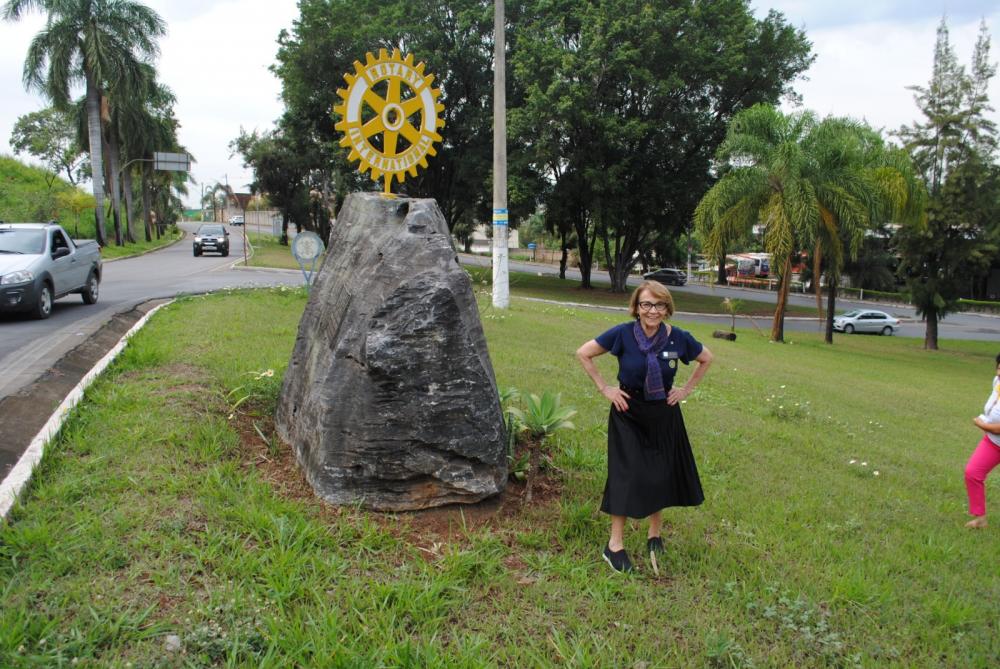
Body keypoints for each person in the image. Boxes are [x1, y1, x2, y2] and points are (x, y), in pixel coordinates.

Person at [576, 280, 713, 573]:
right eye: (646, 304)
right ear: (636, 308)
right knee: (626, 474)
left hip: (663, 413)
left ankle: (654, 534)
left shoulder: (679, 339)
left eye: (659, 304)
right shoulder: (623, 334)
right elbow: (583, 353)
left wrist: (685, 391)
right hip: (628, 411)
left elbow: (706, 358)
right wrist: (605, 389)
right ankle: (614, 546)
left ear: (667, 308)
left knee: (659, 474)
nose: (652, 311)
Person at [964, 352, 1000, 529]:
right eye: (999, 367)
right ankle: (980, 519)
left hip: (993, 433)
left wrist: (981, 424)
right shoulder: (997, 382)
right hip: (994, 442)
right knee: (973, 473)